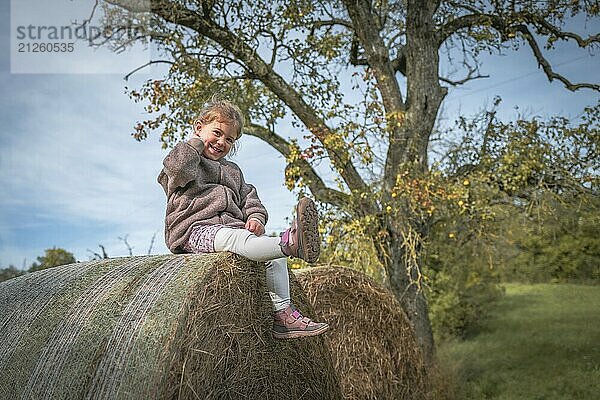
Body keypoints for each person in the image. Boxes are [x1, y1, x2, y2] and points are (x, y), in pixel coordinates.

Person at [158, 99, 328, 339]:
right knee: (237, 239)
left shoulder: (233, 171)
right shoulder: (187, 160)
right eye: (217, 133)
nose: (222, 142)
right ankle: (292, 242)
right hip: (194, 230)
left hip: (233, 229)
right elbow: (176, 169)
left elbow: (250, 198)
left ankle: (284, 316)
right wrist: (195, 144)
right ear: (198, 127)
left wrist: (256, 217)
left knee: (275, 255)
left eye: (230, 139)